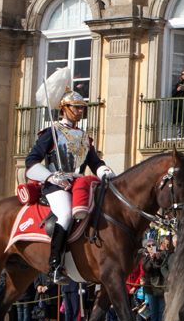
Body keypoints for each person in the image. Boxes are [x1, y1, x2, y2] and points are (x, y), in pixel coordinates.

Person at [24, 87, 116, 284]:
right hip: (55, 184)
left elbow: (94, 163)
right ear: (64, 108)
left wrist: (105, 171)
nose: (80, 111)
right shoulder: (51, 133)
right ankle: (55, 265)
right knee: (65, 214)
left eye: (82, 108)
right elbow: (31, 163)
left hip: (78, 183)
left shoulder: (84, 137)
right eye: (76, 107)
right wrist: (50, 177)